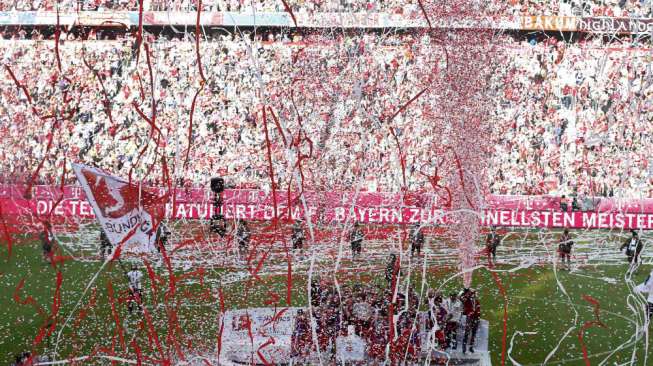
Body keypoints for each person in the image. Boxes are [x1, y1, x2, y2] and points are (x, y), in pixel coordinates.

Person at [461, 288, 481, 354]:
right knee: (467, 332)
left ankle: (471, 347)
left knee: (473, 334)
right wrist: (468, 292)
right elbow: (461, 298)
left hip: (476, 319)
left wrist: (478, 317)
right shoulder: (467, 300)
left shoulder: (477, 301)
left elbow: (478, 310)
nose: (474, 294)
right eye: (473, 293)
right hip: (469, 318)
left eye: (474, 293)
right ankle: (464, 347)